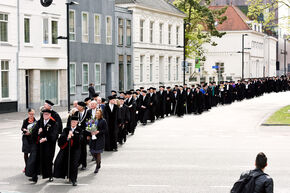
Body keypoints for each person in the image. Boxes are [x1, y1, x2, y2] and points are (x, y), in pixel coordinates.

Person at [25, 109, 58, 183]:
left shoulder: (53, 123)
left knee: (48, 161)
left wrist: (46, 138)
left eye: (46, 114)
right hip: (39, 145)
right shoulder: (39, 122)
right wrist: (38, 131)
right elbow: (33, 133)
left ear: (50, 115)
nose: (45, 116)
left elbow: (54, 135)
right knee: (36, 160)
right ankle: (34, 177)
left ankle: (50, 175)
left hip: (48, 146)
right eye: (44, 114)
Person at [53, 116, 82, 186]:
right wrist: (67, 137)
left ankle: (74, 179)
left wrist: (73, 136)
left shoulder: (79, 130)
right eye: (72, 122)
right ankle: (67, 175)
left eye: (75, 122)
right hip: (66, 149)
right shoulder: (66, 129)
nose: (73, 123)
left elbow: (81, 140)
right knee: (62, 162)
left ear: (77, 122)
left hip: (75, 150)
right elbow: (61, 139)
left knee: (74, 164)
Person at [21, 108, 37, 172]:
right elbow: (22, 128)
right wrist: (24, 130)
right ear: (28, 114)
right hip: (26, 139)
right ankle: (26, 166)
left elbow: (36, 130)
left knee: (32, 153)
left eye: (33, 114)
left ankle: (30, 166)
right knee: (25, 153)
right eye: (30, 114)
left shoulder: (35, 122)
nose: (32, 115)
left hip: (32, 139)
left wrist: (31, 132)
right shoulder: (25, 120)